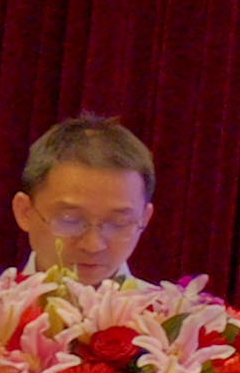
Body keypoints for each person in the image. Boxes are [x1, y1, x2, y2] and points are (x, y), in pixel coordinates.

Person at [15, 113, 155, 282]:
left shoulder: (170, 300)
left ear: (144, 219)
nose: (93, 245)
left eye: (118, 223)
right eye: (70, 220)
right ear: (24, 212)